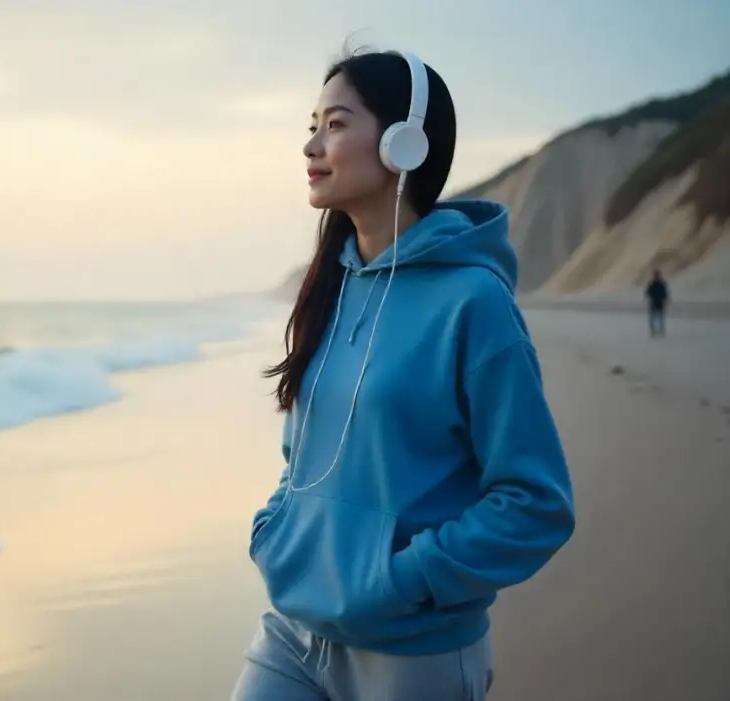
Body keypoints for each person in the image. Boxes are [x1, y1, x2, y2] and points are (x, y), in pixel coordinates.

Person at [232, 48, 576, 701]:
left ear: (403, 141)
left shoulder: (473, 301)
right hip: (293, 630)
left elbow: (537, 503)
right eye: (312, 123)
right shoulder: (330, 287)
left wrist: (405, 578)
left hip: (412, 654)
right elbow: (301, 456)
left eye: (335, 123)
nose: (311, 144)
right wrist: (276, 530)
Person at [645, 269, 669, 337]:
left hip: (659, 302)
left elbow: (665, 293)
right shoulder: (653, 284)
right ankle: (654, 331)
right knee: (654, 318)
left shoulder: (660, 284)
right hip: (654, 302)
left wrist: (664, 299)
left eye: (657, 275)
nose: (656, 276)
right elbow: (648, 292)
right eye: (656, 275)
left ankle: (659, 331)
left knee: (659, 318)